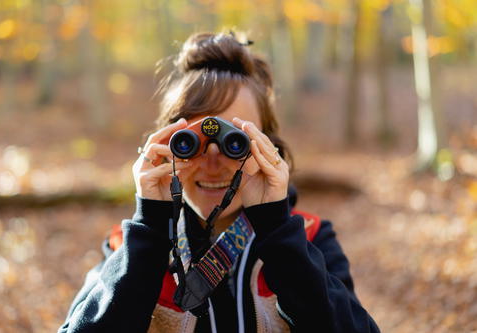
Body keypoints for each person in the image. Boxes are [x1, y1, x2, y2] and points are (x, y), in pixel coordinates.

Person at [58, 31, 380, 333]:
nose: (214, 163)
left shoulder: (309, 238)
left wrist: (278, 232)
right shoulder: (128, 247)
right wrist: (151, 229)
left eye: (235, 141)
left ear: (269, 148)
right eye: (191, 142)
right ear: (166, 145)